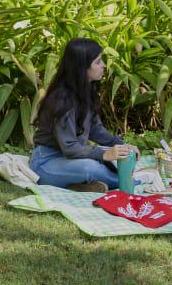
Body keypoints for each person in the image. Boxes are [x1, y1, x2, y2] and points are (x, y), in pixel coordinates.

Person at [29, 37, 135, 192]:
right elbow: (70, 147)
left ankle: (79, 186)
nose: (103, 66)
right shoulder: (62, 99)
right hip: (46, 163)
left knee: (111, 159)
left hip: (71, 160)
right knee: (90, 167)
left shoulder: (86, 90)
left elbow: (96, 130)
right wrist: (103, 154)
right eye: (98, 62)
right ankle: (133, 181)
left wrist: (121, 145)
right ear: (82, 67)